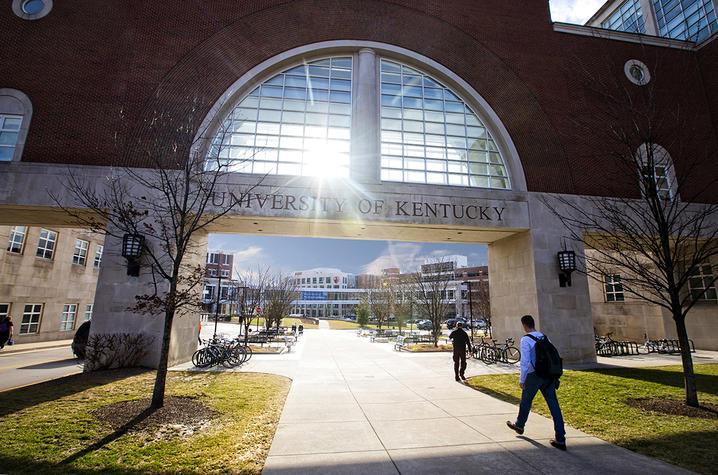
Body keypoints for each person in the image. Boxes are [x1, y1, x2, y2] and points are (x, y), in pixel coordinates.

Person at [506, 315, 566, 451]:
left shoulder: (526, 339)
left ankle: (520, 425)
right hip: (549, 376)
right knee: (554, 405)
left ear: (524, 325)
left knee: (526, 401)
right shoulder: (544, 337)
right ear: (533, 324)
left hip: (534, 376)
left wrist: (522, 380)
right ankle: (561, 438)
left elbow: (525, 363)